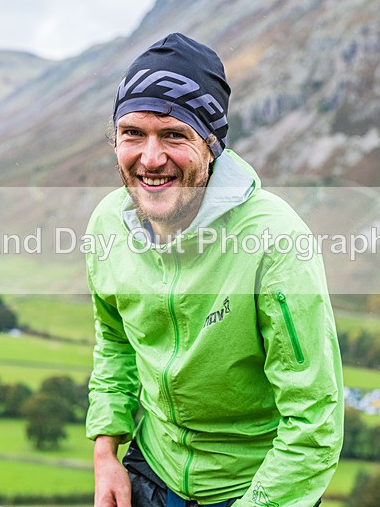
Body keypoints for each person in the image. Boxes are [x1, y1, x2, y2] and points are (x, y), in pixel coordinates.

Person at [86, 32, 343, 507]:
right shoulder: (107, 223)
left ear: (211, 145)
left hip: (256, 487)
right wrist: (106, 451)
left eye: (174, 135)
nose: (151, 158)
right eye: (133, 133)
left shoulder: (275, 241)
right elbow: (116, 339)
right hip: (152, 471)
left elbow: (313, 422)